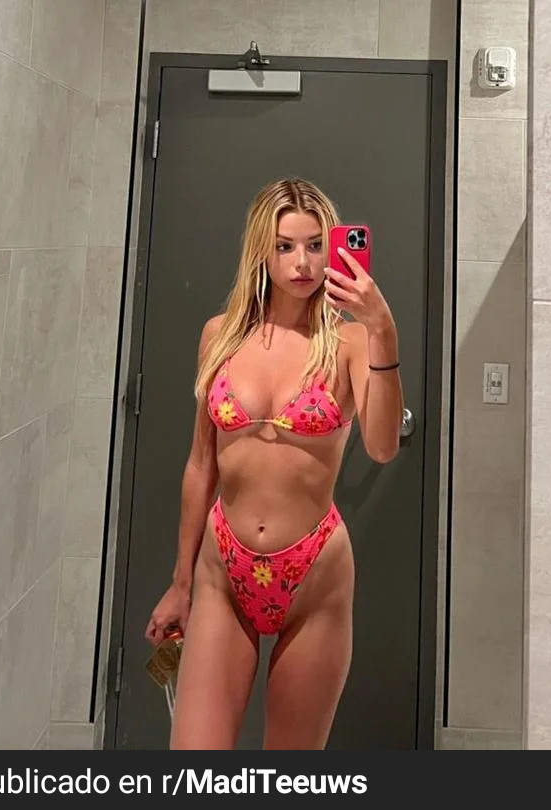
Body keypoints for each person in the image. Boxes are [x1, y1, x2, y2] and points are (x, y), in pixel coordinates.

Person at [144, 177, 403, 750]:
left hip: (314, 576)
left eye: (315, 245)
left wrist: (382, 329)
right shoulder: (220, 337)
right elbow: (200, 465)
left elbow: (383, 447)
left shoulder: (350, 343)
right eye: (285, 246)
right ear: (261, 251)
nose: (302, 263)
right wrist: (180, 583)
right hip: (223, 568)